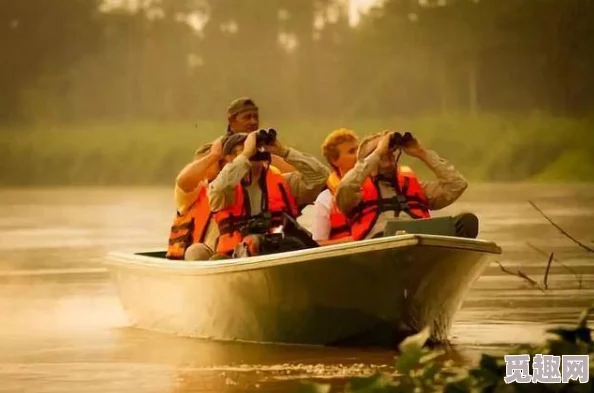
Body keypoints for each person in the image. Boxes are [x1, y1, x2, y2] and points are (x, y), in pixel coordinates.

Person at [166, 97, 291, 260]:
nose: (253, 122)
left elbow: (295, 174)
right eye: (247, 117)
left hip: (255, 246)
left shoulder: (263, 169)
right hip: (215, 252)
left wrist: (264, 154)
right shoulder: (205, 182)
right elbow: (184, 180)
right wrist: (216, 155)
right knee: (196, 252)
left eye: (256, 117)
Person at [335, 130, 477, 240]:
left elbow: (457, 184)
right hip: (382, 248)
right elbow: (345, 188)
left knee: (467, 221)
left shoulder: (414, 186)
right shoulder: (355, 193)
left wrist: (422, 154)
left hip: (421, 243)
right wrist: (378, 152)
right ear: (367, 159)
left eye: (390, 149)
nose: (388, 152)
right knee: (395, 239)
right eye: (381, 150)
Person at [208, 131, 330, 258]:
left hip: (281, 251)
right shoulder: (225, 190)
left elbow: (320, 177)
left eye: (256, 147)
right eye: (244, 148)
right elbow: (218, 188)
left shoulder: (282, 183)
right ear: (228, 158)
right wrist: (245, 155)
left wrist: (284, 152)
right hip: (235, 258)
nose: (254, 151)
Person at [311, 128, 359, 245]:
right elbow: (320, 244)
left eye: (359, 150)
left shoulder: (379, 188)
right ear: (334, 160)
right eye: (352, 151)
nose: (359, 155)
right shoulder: (325, 199)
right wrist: (359, 240)